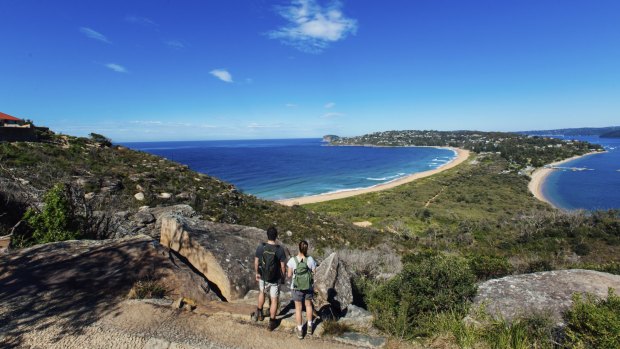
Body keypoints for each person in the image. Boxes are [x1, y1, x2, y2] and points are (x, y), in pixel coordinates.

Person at [254, 226, 287, 331]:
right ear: (276, 236)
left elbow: (256, 262)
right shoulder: (279, 249)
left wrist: (257, 273)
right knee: (274, 300)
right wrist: (283, 276)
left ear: (267, 235)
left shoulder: (261, 247)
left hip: (263, 277)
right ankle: (272, 323)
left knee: (262, 293)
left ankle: (259, 313)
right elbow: (282, 266)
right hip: (275, 279)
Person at [287, 240, 317, 339]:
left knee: (298, 309)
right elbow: (314, 272)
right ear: (307, 248)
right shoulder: (310, 259)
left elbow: (289, 275)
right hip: (308, 286)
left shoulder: (292, 260)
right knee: (308, 305)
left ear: (298, 247)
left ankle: (300, 330)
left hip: (296, 287)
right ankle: (309, 327)